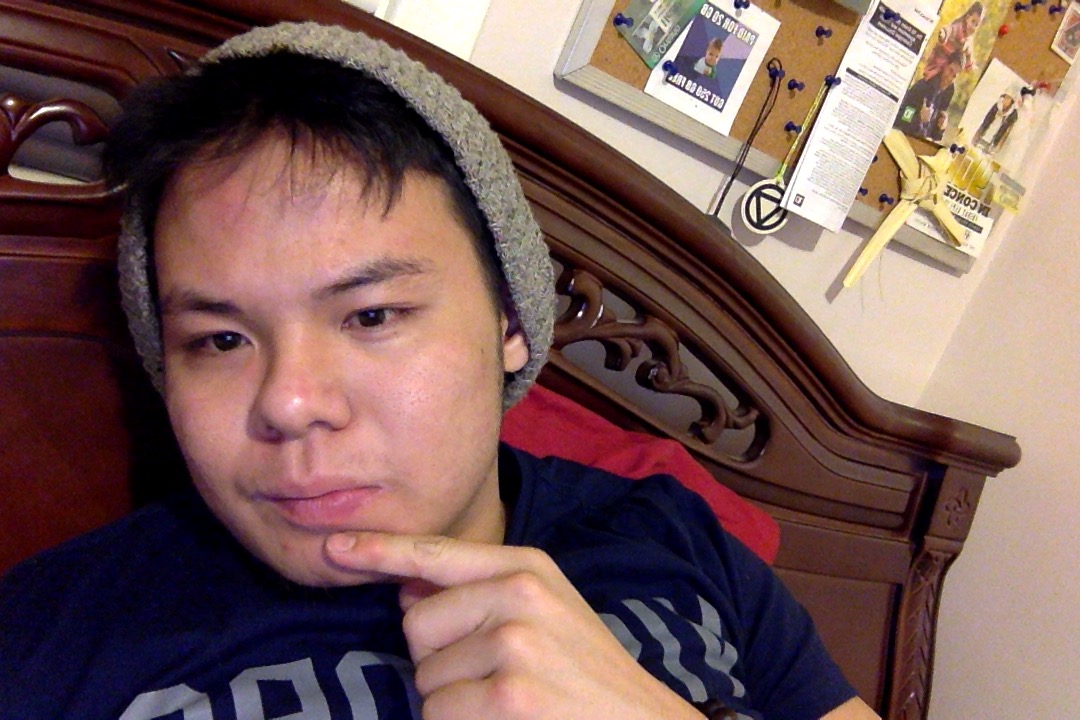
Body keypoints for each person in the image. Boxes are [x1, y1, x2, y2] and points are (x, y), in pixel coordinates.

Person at [0, 22, 879, 720]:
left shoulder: (671, 536)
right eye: (221, 341)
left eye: (372, 316)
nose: (291, 403)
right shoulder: (48, 637)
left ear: (509, 323)